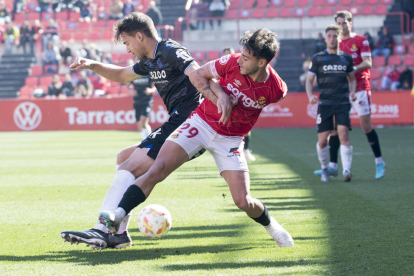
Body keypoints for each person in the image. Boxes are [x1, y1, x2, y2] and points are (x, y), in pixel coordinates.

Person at [98, 28, 294, 249]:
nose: (240, 60)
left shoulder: (276, 90)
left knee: (243, 201)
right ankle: (117, 215)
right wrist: (220, 94)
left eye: (246, 58)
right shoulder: (232, 61)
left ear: (262, 62)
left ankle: (272, 227)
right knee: (158, 168)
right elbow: (200, 74)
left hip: (229, 139)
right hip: (200, 123)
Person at [60, 12, 230, 249]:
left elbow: (196, 73)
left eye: (128, 42)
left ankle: (100, 229)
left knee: (131, 166)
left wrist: (218, 98)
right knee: (124, 158)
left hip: (190, 121)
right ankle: (118, 233)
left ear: (139, 36)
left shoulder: (170, 50)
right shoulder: (149, 60)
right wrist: (93, 65)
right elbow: (121, 75)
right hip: (179, 121)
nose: (127, 49)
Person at [315, 10, 386, 179]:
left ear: (350, 23)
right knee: (334, 128)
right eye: (338, 23)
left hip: (360, 87)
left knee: (365, 125)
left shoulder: (360, 40)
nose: (342, 26)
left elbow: (368, 62)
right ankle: (332, 166)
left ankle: (379, 162)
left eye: (344, 23)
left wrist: (351, 69)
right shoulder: (336, 44)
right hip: (339, 91)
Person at [307, 25, 356, 182]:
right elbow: (309, 80)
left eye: (335, 36)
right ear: (326, 38)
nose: (332, 38)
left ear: (339, 38)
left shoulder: (346, 58)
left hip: (342, 102)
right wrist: (310, 95)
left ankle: (347, 171)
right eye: (329, 36)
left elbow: (353, 79)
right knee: (322, 140)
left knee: (343, 135)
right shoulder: (318, 58)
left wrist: (353, 91)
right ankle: (324, 169)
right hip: (325, 103)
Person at [222, 46, 256, 161]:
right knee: (226, 127)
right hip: (225, 101)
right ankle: (228, 153)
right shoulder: (220, 68)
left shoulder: (239, 67)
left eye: (230, 54)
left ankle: (246, 151)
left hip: (240, 101)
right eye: (226, 54)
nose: (228, 56)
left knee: (245, 127)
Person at [127, 72, 155, 139]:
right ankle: (145, 141)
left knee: (143, 123)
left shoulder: (148, 73)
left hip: (147, 100)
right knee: (139, 124)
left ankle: (149, 140)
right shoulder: (134, 73)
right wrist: (130, 91)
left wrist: (151, 90)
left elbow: (157, 84)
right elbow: (128, 84)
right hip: (137, 101)